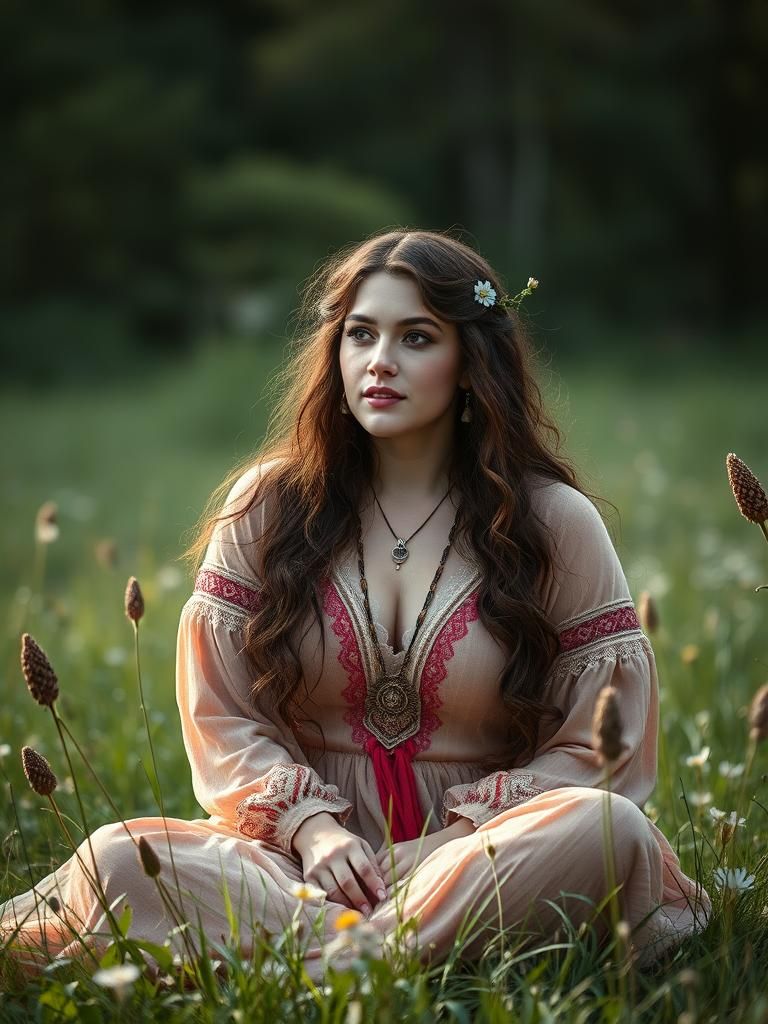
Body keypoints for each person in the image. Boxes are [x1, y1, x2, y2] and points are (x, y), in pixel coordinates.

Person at [1, 228, 710, 980]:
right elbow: (224, 717)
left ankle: (334, 963)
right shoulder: (269, 507)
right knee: (119, 858)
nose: (380, 361)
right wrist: (313, 830)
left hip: (481, 858)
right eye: (361, 334)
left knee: (607, 830)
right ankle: (386, 955)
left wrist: (446, 845)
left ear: (472, 362)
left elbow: (600, 749)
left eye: (417, 338)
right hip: (297, 868)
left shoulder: (552, 521)